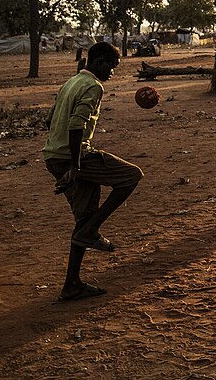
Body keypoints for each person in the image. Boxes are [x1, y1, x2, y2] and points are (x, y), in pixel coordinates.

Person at [44, 41, 143, 302]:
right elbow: (76, 124)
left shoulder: (71, 82)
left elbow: (49, 118)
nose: (112, 72)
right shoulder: (93, 86)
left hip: (54, 156)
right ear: (99, 61)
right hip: (75, 158)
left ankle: (72, 284)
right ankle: (92, 230)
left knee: (83, 217)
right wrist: (76, 166)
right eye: (111, 67)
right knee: (132, 175)